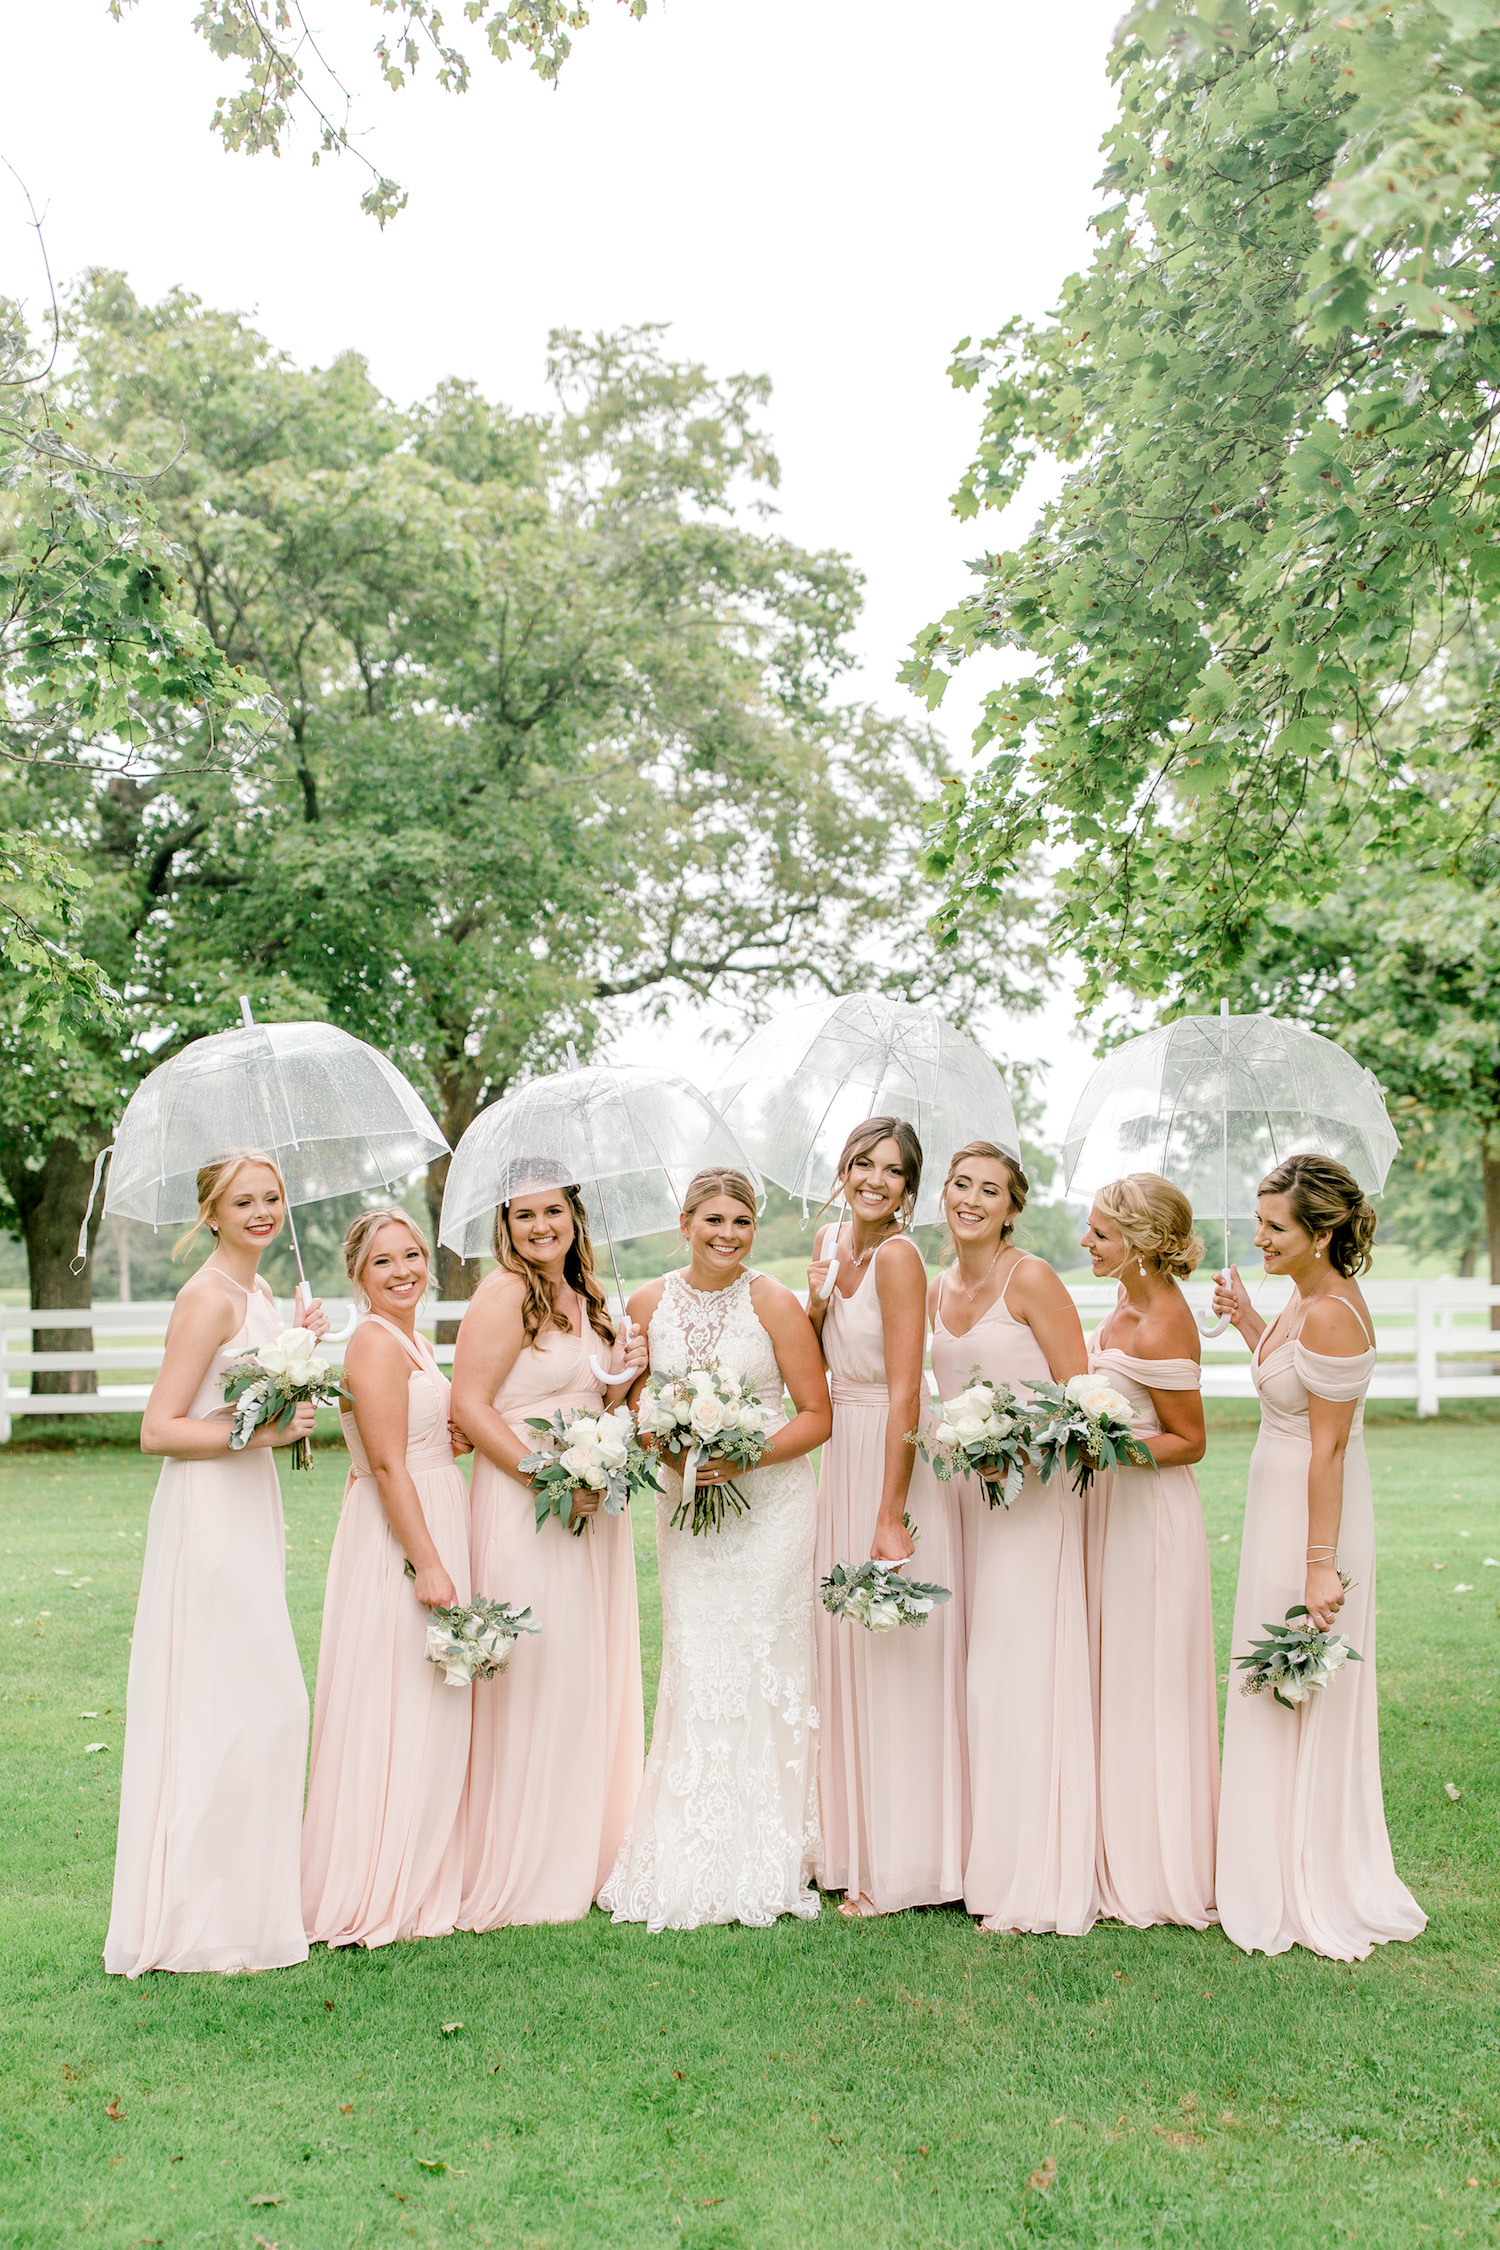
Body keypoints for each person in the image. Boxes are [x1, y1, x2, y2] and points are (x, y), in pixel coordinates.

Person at [105, 1150, 325, 1977]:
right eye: (244, 1202)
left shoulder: (260, 1293)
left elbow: (249, 1392)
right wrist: (267, 1432)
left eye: (271, 1198)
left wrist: (301, 1344)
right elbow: (160, 1430)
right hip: (208, 1519)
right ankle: (202, 1923)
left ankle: (248, 1912)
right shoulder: (205, 1299)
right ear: (211, 1211)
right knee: (236, 1706)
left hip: (249, 1507)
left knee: (262, 1710)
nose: (262, 1212)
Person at [600, 1167, 831, 1931]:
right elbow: (632, 1404)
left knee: (765, 1660)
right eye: (715, 1220)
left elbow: (815, 1414)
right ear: (685, 1221)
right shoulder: (644, 1303)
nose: (728, 1235)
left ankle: (773, 1848)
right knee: (697, 1658)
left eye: (743, 1222)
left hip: (770, 1509)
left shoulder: (773, 1301)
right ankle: (690, 1846)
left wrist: (745, 1455)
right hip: (686, 1507)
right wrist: (671, 1446)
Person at [1212, 1154, 1425, 1960]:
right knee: (1269, 1684)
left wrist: (1318, 1565)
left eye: (1275, 1227)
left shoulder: (1334, 1311)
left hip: (1312, 1518)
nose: (1260, 1236)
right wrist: (1244, 1319)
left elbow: (1328, 1450)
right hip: (1277, 1509)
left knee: (1300, 1684)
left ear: (1323, 1232)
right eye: (1260, 1221)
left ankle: (1308, 1875)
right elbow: (1287, 1383)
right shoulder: (1301, 1298)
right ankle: (1260, 1860)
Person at [453, 1175, 646, 1927]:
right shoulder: (503, 1294)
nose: (541, 1226)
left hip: (593, 1502)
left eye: (552, 1211)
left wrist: (628, 1383)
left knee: (588, 1669)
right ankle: (530, 1862)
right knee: (539, 1671)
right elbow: (469, 1403)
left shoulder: (592, 1296)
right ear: (507, 1223)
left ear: (574, 1216)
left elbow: (605, 1402)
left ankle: (592, 1849)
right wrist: (549, 1475)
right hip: (525, 1498)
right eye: (524, 1214)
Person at [928, 1141, 1096, 1936]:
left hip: (1031, 1503)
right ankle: (981, 1861)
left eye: (988, 1190)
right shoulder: (935, 1287)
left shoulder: (1030, 1278)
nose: (971, 1199)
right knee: (975, 1681)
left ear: (1012, 1206)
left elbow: (1084, 1405)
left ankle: (1035, 1873)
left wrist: (1017, 1446)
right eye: (960, 1184)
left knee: (1014, 1677)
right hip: (965, 1501)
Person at [807, 1117, 965, 1917]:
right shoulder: (834, 1245)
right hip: (842, 1448)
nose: (875, 1179)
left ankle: (902, 1865)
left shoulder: (900, 1258)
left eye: (893, 1171)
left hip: (891, 1452)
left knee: (894, 1661)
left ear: (909, 1190)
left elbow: (908, 1389)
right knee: (845, 1651)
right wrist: (811, 1302)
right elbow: (810, 1360)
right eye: (863, 1163)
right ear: (843, 1170)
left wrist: (891, 1511)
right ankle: (846, 1845)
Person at [301, 1210, 472, 1949]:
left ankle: (420, 1863)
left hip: (428, 1507)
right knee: (396, 1698)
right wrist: (427, 1561)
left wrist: (449, 1440)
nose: (403, 1270)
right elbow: (389, 1466)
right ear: (357, 1275)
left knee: (424, 1698)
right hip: (402, 1533)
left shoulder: (409, 1339)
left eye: (411, 1255)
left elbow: (406, 1441)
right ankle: (379, 1882)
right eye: (383, 1262)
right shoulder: (373, 1343)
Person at [1081, 1175, 1218, 1929]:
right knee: (1113, 1674)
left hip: (1151, 1518)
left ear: (1137, 1241)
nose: (1087, 1242)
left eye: (1100, 1233)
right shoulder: (1122, 1304)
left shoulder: (1164, 1320)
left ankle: (1157, 1865)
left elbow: (1190, 1441)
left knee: (1149, 1678)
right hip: (1109, 1510)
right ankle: (1111, 1844)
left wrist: (1106, 1447)